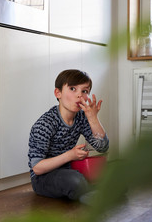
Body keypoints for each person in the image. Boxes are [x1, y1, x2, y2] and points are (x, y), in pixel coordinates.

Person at [28, 69, 109, 202]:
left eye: (84, 91)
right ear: (58, 93)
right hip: (43, 178)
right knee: (75, 181)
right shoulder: (45, 124)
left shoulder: (81, 117)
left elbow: (102, 147)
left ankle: (91, 191)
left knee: (114, 175)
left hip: (69, 169)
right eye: (72, 89)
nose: (79, 96)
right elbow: (37, 168)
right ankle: (91, 192)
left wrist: (93, 118)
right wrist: (70, 155)